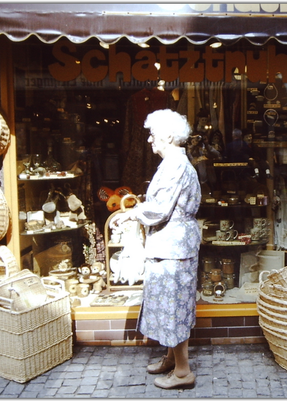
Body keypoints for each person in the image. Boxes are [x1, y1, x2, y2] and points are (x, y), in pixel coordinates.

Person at [110, 109, 201, 390]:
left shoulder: (175, 165)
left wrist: (132, 213)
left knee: (174, 308)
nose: (150, 140)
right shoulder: (173, 163)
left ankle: (183, 372)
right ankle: (172, 358)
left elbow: (160, 208)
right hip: (170, 245)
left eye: (153, 134)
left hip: (173, 246)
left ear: (169, 136)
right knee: (171, 306)